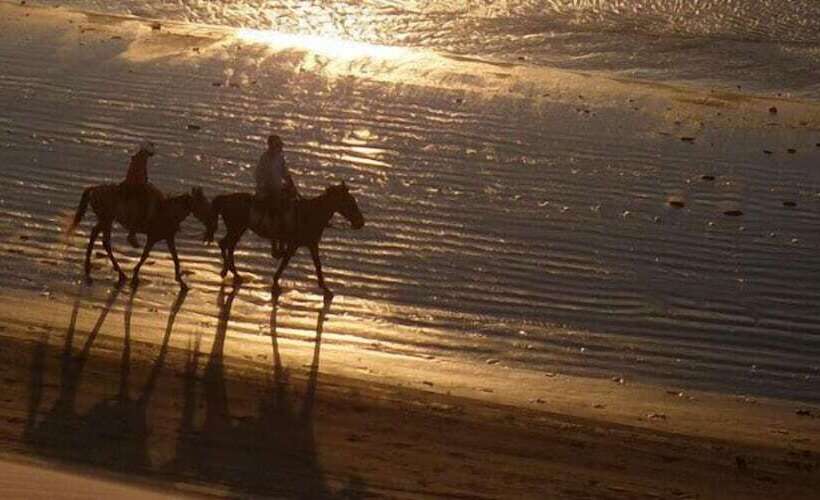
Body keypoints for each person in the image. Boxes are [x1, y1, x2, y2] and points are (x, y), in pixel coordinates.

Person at [254, 134, 297, 255]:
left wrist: (291, 183)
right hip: (267, 189)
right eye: (276, 145)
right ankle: (275, 242)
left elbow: (284, 172)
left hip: (277, 187)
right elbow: (259, 175)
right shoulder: (265, 158)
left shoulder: (279, 158)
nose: (278, 148)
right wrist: (266, 186)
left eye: (279, 145)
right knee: (276, 208)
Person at [120, 141, 161, 248]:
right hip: (135, 184)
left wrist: (146, 182)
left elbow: (141, 174)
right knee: (145, 202)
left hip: (136, 182)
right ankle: (133, 232)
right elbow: (137, 174)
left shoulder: (140, 158)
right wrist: (144, 183)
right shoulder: (140, 159)